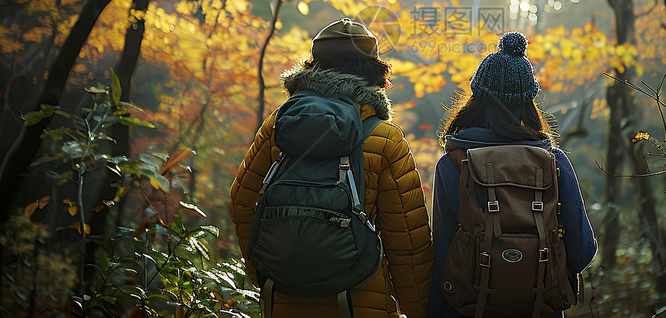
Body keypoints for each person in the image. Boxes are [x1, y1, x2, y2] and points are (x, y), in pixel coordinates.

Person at [230, 18, 433, 318]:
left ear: (312, 67)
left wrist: (269, 272)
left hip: (283, 301)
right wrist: (419, 310)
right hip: (359, 305)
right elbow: (407, 242)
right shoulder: (385, 139)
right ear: (377, 73)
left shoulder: (280, 126)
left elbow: (242, 203)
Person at [428, 31, 597, 318]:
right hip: (539, 308)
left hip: (467, 309)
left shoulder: (451, 164)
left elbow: (443, 256)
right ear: (528, 102)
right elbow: (582, 251)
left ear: (476, 97)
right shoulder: (554, 163)